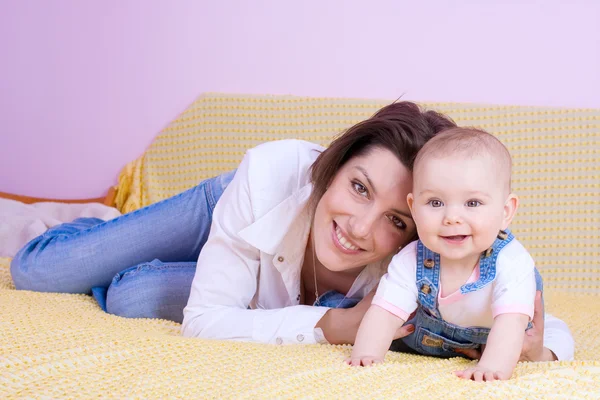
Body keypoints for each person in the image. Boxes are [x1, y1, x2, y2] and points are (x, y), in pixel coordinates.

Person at [10, 102, 573, 361]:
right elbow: (206, 322)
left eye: (396, 220)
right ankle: (104, 224)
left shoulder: (424, 257)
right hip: (232, 211)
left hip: (253, 281)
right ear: (334, 163)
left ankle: (123, 245)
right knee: (37, 271)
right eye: (357, 187)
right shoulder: (270, 173)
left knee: (132, 294)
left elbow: (537, 326)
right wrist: (335, 325)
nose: (358, 227)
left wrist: (537, 348)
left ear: (417, 224)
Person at [348, 127, 566, 380]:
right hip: (427, 341)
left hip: (497, 340)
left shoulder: (512, 261)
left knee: (557, 337)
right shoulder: (411, 259)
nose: (452, 218)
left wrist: (491, 367)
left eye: (472, 203)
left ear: (506, 211)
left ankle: (542, 353)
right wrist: (367, 353)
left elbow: (510, 322)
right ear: (414, 208)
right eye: (435, 203)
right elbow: (384, 312)